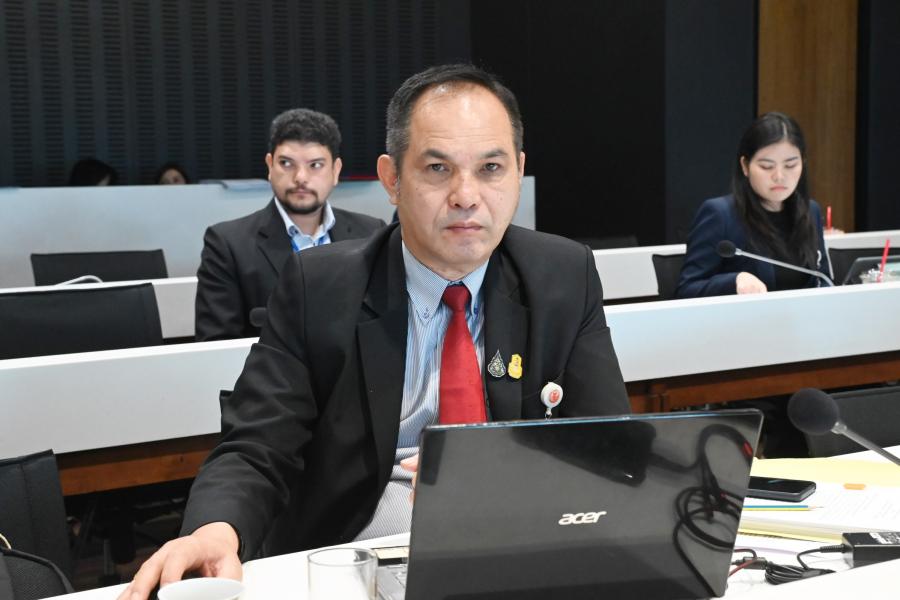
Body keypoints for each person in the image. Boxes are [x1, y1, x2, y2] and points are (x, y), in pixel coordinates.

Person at [120, 64, 629, 599]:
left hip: (516, 550)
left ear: (518, 171)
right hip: (358, 559)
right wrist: (215, 530)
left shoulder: (563, 276)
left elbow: (612, 448)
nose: (466, 195)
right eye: (437, 168)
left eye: (491, 168)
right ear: (391, 179)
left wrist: (502, 472)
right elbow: (258, 444)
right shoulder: (320, 287)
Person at [194, 108, 385, 340]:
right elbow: (216, 345)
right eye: (286, 163)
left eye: (315, 165)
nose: (300, 177)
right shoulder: (228, 244)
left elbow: (384, 326)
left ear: (335, 171)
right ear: (270, 166)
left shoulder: (371, 233)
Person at [676, 112, 832, 298]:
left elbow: (823, 279)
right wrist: (734, 281)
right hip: (744, 317)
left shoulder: (810, 211)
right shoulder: (720, 215)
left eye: (790, 165)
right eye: (767, 166)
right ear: (745, 166)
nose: (779, 176)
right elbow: (686, 290)